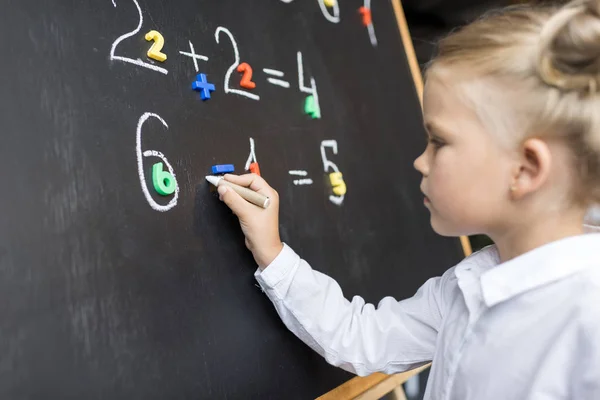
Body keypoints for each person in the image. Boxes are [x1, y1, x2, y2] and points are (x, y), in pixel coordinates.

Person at [216, 0, 600, 398]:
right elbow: (362, 339)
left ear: (525, 169)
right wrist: (273, 254)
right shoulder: (467, 284)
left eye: (439, 142)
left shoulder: (586, 321)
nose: (420, 162)